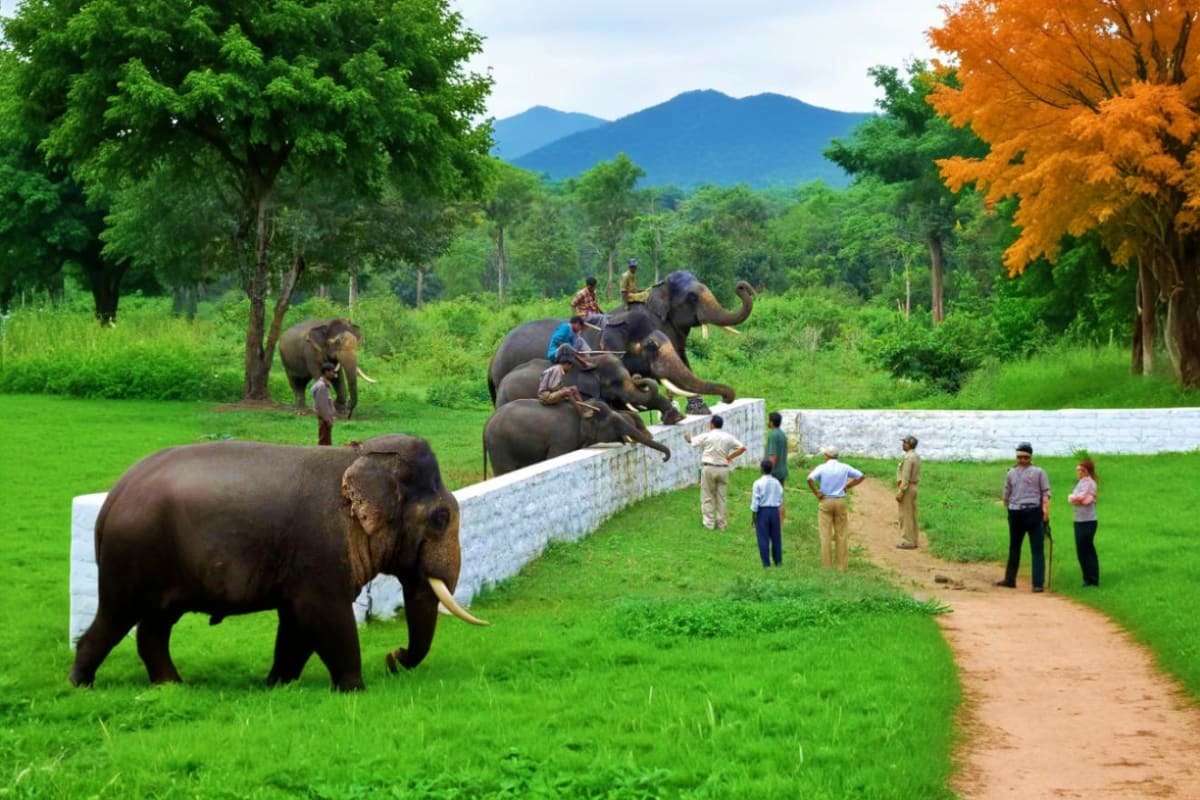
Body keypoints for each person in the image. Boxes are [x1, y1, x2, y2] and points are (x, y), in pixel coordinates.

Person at [997, 442, 1051, 592]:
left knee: (1037, 548)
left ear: (1030, 456)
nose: (1022, 460)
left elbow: (1045, 493)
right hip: (1015, 512)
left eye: (1025, 457)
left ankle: (1038, 583)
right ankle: (1010, 579)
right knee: (1014, 547)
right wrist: (1007, 506)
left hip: (1033, 511)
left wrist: (1045, 511)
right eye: (1019, 457)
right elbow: (1006, 491)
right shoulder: (1011, 472)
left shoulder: (1039, 472)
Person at [806, 445, 865, 571]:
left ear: (827, 456)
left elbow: (809, 479)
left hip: (826, 501)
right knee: (841, 534)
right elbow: (860, 476)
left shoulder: (822, 467)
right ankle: (842, 566)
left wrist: (816, 492)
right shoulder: (844, 467)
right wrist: (848, 486)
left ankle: (826, 565)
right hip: (840, 501)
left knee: (825, 534)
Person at [684, 415, 747, 530]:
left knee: (707, 495)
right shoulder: (728, 437)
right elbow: (742, 448)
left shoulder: (707, 436)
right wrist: (729, 458)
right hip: (723, 467)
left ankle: (709, 523)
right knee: (721, 497)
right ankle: (722, 524)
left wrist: (687, 437)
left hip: (709, 467)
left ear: (712, 424)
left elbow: (691, 441)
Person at [1068, 458, 1100, 587]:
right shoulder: (1080, 483)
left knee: (1087, 547)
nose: (1079, 472)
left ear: (1087, 471)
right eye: (1078, 470)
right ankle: (1086, 577)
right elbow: (1071, 498)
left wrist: (1075, 498)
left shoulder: (1090, 483)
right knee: (1080, 549)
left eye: (1081, 470)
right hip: (1078, 520)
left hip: (1088, 520)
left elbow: (1084, 499)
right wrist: (1075, 498)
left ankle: (1093, 578)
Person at [750, 458, 784, 567]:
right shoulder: (777, 483)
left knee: (763, 537)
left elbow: (755, 501)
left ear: (761, 469)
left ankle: (766, 563)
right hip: (774, 510)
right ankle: (778, 561)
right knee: (776, 537)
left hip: (763, 511)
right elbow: (780, 497)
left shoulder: (758, 483)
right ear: (772, 469)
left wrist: (753, 517)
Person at [895, 435, 922, 549]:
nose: (902, 444)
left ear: (909, 444)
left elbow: (905, 477)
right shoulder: (916, 456)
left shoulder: (908, 458)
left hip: (907, 488)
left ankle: (907, 541)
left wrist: (901, 492)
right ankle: (914, 539)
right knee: (912, 514)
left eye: (904, 443)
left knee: (905, 515)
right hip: (914, 486)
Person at [765, 411, 789, 525]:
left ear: (771, 422)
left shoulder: (773, 435)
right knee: (780, 497)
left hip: (774, 472)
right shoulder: (782, 434)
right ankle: (781, 521)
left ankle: (776, 523)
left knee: (773, 498)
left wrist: (767, 473)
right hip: (782, 470)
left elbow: (773, 456)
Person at [312, 361, 338, 446]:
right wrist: (328, 420)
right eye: (332, 371)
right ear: (326, 372)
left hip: (325, 418)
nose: (334, 374)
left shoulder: (323, 385)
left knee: (326, 440)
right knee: (324, 442)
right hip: (324, 419)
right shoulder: (322, 386)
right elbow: (322, 406)